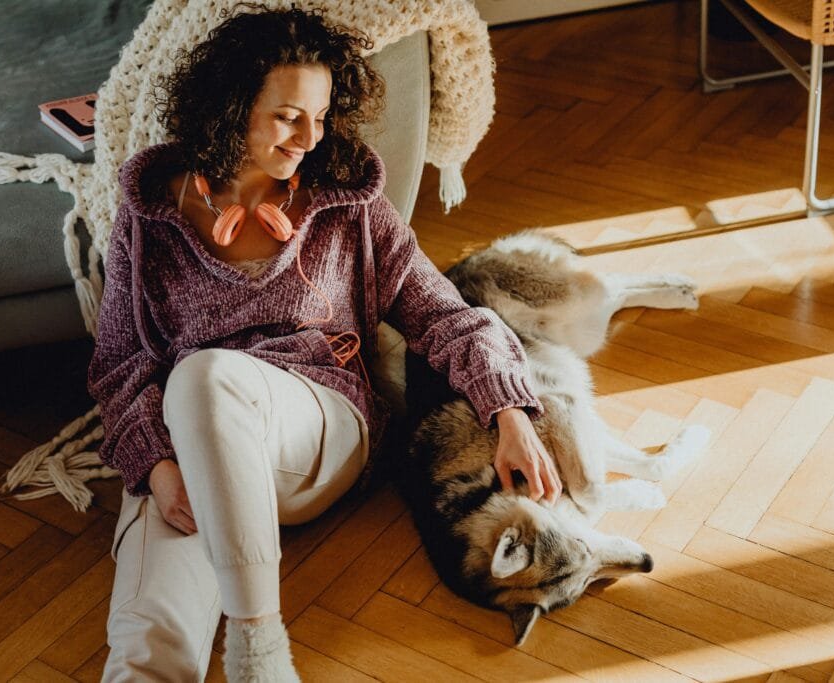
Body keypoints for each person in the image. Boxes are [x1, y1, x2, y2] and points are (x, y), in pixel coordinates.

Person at [88, 5, 562, 682]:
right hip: (185, 449)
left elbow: (441, 312)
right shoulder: (150, 209)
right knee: (144, 646)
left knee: (201, 375)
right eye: (288, 116)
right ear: (232, 104)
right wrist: (160, 471)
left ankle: (259, 653)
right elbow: (119, 363)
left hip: (314, 433)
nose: (309, 136)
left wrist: (508, 410)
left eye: (319, 115)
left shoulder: (346, 200)